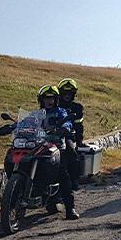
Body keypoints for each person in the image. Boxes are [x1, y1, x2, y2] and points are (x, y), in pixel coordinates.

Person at [37, 85, 79, 220]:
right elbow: (25, 123)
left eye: (52, 98)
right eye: (46, 98)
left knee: (62, 174)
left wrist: (64, 128)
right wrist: (14, 127)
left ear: (56, 99)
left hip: (57, 148)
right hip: (40, 147)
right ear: (41, 100)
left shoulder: (61, 112)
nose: (49, 101)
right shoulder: (37, 115)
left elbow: (68, 123)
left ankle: (70, 208)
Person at [57, 78, 84, 191]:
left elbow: (79, 127)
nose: (67, 95)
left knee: (72, 153)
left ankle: (73, 181)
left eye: (70, 93)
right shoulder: (53, 104)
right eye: (65, 92)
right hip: (48, 136)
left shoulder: (77, 108)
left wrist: (79, 142)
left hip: (67, 136)